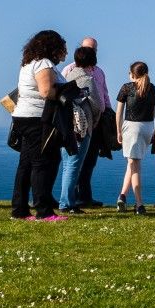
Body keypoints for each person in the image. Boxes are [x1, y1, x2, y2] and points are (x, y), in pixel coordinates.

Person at [11, 29, 85, 221]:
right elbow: (46, 91)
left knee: (26, 165)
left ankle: (19, 210)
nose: (65, 54)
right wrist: (68, 92)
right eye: (62, 49)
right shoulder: (44, 64)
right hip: (38, 119)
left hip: (23, 116)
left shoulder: (29, 63)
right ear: (51, 47)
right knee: (42, 164)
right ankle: (43, 211)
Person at [66, 36, 113, 208]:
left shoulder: (99, 72)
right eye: (88, 49)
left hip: (98, 121)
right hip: (79, 122)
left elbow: (104, 94)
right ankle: (75, 197)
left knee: (90, 159)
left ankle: (85, 196)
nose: (91, 52)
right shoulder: (69, 70)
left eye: (94, 49)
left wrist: (107, 113)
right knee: (76, 160)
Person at [57, 45, 100, 214]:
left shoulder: (65, 76)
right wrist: (95, 119)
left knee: (67, 165)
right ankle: (67, 203)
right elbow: (98, 105)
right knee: (75, 165)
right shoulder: (88, 80)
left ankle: (64, 200)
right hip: (82, 127)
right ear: (92, 62)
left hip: (66, 124)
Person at [114, 61, 155, 214]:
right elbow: (154, 109)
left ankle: (139, 204)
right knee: (132, 164)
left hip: (132, 127)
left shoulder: (127, 87)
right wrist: (150, 128)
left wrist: (118, 131)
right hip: (147, 127)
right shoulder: (151, 88)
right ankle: (122, 196)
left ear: (132, 74)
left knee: (135, 166)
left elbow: (119, 112)